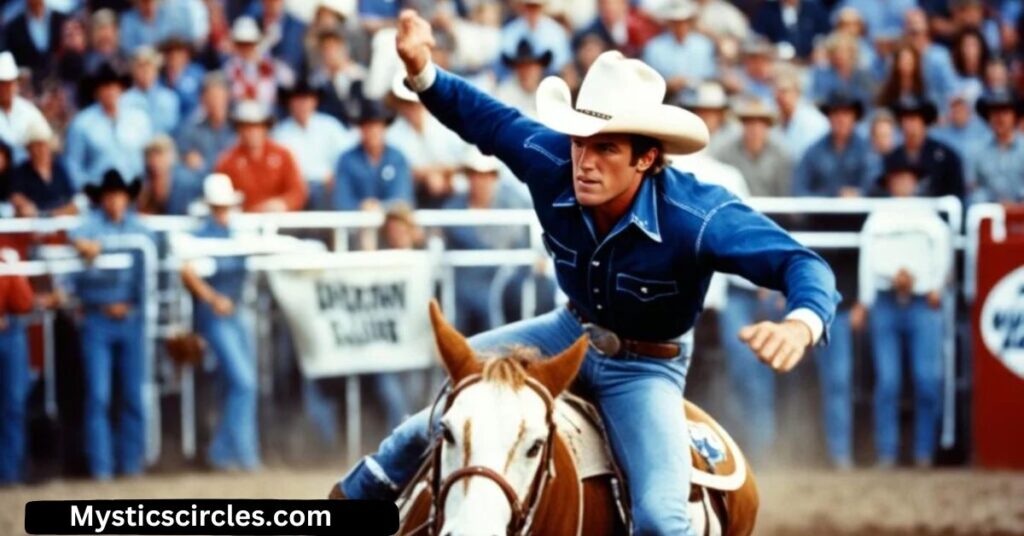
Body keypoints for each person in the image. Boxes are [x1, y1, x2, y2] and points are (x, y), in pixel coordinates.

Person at [330, 12, 839, 536]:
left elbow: (800, 263)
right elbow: (486, 119)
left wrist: (800, 323)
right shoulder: (552, 160)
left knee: (663, 522)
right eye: (579, 142)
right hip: (566, 332)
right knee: (439, 413)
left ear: (646, 158)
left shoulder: (698, 216)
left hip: (644, 368)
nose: (584, 161)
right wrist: (423, 71)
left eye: (606, 148)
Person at [856, 154, 951, 467]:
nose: (902, 183)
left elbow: (944, 259)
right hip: (886, 300)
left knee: (926, 379)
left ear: (914, 180)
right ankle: (888, 452)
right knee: (889, 382)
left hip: (923, 301)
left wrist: (934, 284)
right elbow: (868, 264)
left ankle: (923, 452)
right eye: (897, 178)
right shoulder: (878, 218)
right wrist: (866, 300)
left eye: (906, 177)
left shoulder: (930, 217)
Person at [70, 169, 155, 480]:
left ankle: (130, 464)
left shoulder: (140, 230)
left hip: (130, 317)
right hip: (99, 317)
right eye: (109, 195)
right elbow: (74, 238)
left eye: (119, 195)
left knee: (133, 393)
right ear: (102, 199)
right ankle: (102, 467)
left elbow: (154, 254)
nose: (115, 201)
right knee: (99, 396)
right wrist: (83, 245)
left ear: (127, 198)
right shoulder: (89, 228)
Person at [180, 173, 260, 471]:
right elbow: (186, 271)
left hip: (235, 312)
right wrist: (213, 298)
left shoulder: (234, 235)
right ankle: (237, 453)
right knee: (244, 382)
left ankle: (231, 452)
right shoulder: (202, 237)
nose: (223, 211)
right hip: (216, 316)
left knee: (239, 383)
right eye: (219, 206)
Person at [442, 147, 530, 335]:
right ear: (468, 177)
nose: (481, 181)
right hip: (462, 288)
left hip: (500, 285)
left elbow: (524, 242)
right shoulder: (453, 208)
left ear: (494, 177)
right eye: (475, 174)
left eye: (487, 175)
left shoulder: (511, 204)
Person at [64, 63, 154, 191]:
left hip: (136, 191)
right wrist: (88, 192)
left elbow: (149, 157)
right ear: (96, 92)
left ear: (121, 89)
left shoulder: (139, 119)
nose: (110, 92)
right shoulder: (81, 123)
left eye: (114, 86)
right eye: (104, 87)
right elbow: (73, 165)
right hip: (98, 193)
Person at [271, 80, 354, 210]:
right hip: (296, 189)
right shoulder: (280, 133)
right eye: (297, 100)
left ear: (314, 101)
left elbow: (348, 156)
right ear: (289, 103)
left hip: (328, 188)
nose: (302, 105)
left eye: (307, 99)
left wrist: (336, 175)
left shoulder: (330, 126)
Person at [214, 100, 307, 212]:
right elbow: (218, 198)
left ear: (266, 128)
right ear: (239, 129)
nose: (253, 132)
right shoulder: (228, 160)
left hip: (279, 221)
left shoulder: (283, 155)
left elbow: (298, 192)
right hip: (243, 222)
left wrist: (283, 203)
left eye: (257, 126)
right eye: (247, 127)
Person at [333, 98, 414, 211]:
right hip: (357, 224)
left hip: (391, 224)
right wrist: (361, 206)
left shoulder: (397, 158)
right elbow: (342, 200)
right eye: (368, 126)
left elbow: (402, 197)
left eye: (377, 126)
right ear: (360, 129)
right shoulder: (347, 160)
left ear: (384, 128)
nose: (373, 132)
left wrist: (379, 207)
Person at [793, 91, 875, 197]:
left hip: (861, 212)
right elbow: (799, 189)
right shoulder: (813, 151)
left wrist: (858, 194)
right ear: (828, 117)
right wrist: (831, 197)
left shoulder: (867, 150)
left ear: (855, 117)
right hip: (821, 212)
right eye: (835, 113)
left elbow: (873, 184)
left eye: (846, 113)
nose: (841, 119)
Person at [884, 95, 965, 200]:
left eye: (913, 119)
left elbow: (956, 194)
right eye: (904, 119)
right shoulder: (892, 157)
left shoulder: (945, 157)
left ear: (924, 122)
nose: (907, 125)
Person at [0, 247, 35, 485]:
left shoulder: (7, 256)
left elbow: (24, 303)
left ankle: (10, 473)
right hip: (9, 330)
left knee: (14, 403)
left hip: (10, 330)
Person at [712, 96, 793, 197]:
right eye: (750, 123)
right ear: (743, 125)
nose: (755, 129)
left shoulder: (781, 155)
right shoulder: (726, 153)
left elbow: (785, 194)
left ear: (768, 127)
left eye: (760, 123)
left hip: (772, 211)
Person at [642, 0, 717, 98]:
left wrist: (691, 82)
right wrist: (668, 85)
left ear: (691, 22)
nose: (681, 26)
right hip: (667, 99)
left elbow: (711, 76)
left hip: (699, 99)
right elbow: (648, 82)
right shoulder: (654, 47)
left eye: (684, 21)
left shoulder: (704, 45)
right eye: (676, 22)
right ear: (669, 23)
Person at [8, 120, 77, 217]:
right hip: (31, 224)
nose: (40, 150)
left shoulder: (60, 170)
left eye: (44, 145)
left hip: (57, 221)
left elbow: (72, 202)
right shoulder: (20, 172)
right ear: (28, 149)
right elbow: (16, 198)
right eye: (36, 146)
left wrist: (50, 214)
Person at [175, 72, 236, 179]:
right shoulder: (192, 128)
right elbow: (183, 155)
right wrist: (186, 157)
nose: (215, 102)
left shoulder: (239, 127)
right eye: (210, 96)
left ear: (228, 96)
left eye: (219, 96)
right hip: (203, 182)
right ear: (202, 100)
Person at [970, 89, 1024, 204]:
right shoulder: (978, 150)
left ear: (1015, 116)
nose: (999, 118)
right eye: (994, 112)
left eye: (1005, 112)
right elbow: (974, 188)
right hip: (990, 212)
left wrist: (1015, 204)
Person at [0, 0, 67, 92]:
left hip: (60, 84)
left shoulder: (62, 20)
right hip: (29, 89)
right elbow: (9, 59)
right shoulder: (14, 27)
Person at [0, 51, 48, 163]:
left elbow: (44, 139)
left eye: (10, 83)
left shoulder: (28, 111)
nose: (6, 88)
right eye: (2, 84)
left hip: (25, 173)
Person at [500, 0, 572, 75]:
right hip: (516, 81)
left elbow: (563, 64)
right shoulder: (510, 31)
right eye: (529, 6)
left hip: (548, 79)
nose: (532, 10)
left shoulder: (556, 32)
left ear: (543, 7)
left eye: (536, 7)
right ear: (522, 7)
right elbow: (504, 63)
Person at [121, 46, 181, 134]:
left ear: (157, 70)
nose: (146, 71)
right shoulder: (124, 100)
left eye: (149, 66)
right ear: (133, 71)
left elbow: (173, 129)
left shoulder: (169, 98)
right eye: (141, 67)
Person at [136, 135, 201, 215]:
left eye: (160, 156)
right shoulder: (142, 182)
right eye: (152, 157)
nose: (156, 162)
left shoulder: (187, 183)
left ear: (170, 158)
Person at [773, 70, 829, 161]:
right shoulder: (775, 125)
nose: (779, 96)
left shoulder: (813, 121)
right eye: (776, 91)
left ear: (797, 93)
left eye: (784, 91)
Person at [751, 0, 830, 60]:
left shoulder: (813, 8)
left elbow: (825, 32)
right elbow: (759, 37)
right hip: (780, 62)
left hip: (811, 60)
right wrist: (771, 49)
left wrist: (819, 47)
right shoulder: (767, 11)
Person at [494, 38, 552, 120]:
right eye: (521, 67)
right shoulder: (504, 93)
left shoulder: (549, 93)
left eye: (530, 67)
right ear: (515, 70)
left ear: (540, 69)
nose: (525, 72)